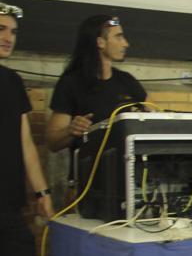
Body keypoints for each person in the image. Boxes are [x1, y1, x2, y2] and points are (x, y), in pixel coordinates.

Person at [0, 2, 54, 256]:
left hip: (8, 204)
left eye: (12, 32)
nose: (7, 37)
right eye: (1, 29)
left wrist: (42, 192)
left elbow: (24, 144)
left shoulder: (11, 81)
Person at [46, 15, 148, 154]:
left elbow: (155, 113)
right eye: (118, 37)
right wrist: (71, 130)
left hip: (127, 170)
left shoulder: (127, 81)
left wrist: (143, 115)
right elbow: (52, 142)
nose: (125, 43)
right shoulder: (70, 84)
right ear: (100, 42)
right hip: (89, 172)